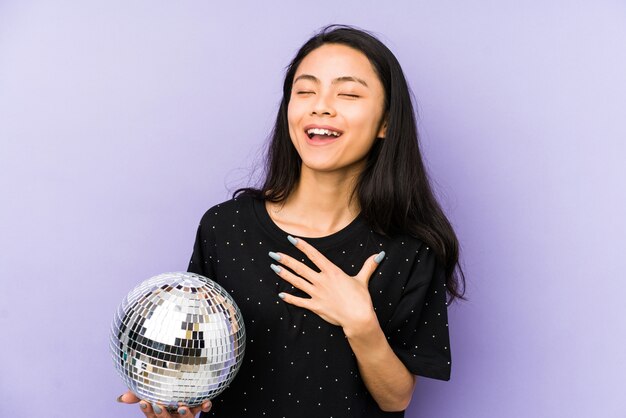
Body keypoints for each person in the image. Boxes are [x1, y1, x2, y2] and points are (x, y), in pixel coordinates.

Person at [117, 24, 465, 418]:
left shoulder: (411, 248)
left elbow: (396, 398)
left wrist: (360, 321)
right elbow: (196, 357)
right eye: (305, 91)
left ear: (386, 123)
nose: (321, 105)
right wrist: (172, 395)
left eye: (348, 93)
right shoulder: (225, 228)